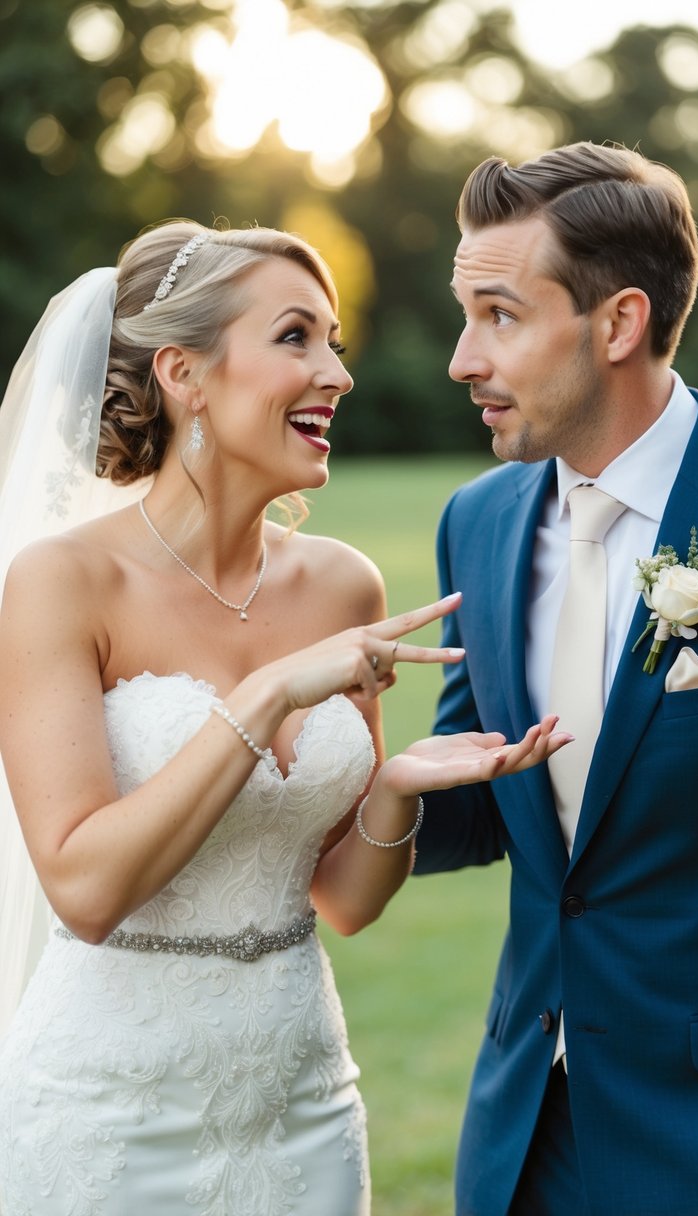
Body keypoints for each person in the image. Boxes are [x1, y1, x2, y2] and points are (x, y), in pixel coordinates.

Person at [0, 220, 569, 1216]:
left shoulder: (341, 583)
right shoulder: (61, 583)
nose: (336, 374)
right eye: (296, 337)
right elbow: (84, 889)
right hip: (107, 1115)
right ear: (185, 373)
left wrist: (392, 791)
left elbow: (345, 900)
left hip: (301, 1109)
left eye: (335, 342)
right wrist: (268, 696)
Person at [413, 141, 698, 1216]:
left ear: (618, 323)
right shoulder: (480, 522)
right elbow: (483, 810)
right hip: (527, 1142)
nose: (463, 357)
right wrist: (337, 772)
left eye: (498, 315)